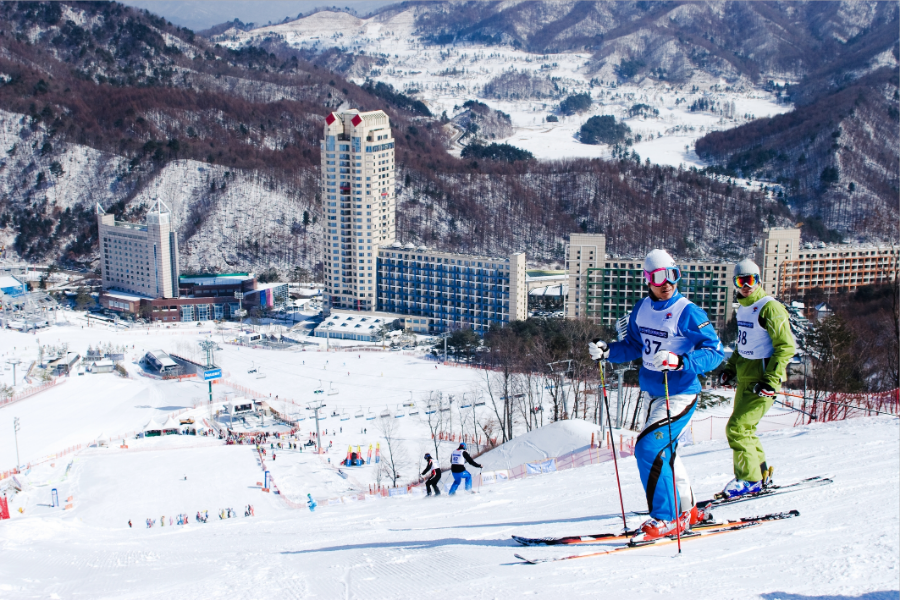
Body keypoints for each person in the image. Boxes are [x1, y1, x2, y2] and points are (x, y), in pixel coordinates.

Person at [589, 249, 724, 542]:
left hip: (679, 393)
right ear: (647, 280)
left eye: (672, 275)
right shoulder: (641, 309)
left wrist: (681, 361)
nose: (666, 283)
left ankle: (667, 518)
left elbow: (715, 352)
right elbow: (636, 345)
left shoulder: (689, 312)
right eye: (658, 277)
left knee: (648, 449)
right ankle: (688, 511)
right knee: (667, 454)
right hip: (652, 393)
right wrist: (609, 351)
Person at [718, 259, 796, 499]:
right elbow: (744, 344)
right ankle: (760, 474)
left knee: (737, 428)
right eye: (741, 281)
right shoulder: (743, 308)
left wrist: (771, 381)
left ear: (759, 280)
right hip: (746, 377)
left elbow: (786, 347)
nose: (746, 286)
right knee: (746, 428)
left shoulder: (770, 308)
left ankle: (748, 480)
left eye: (751, 280)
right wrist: (730, 369)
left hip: (762, 379)